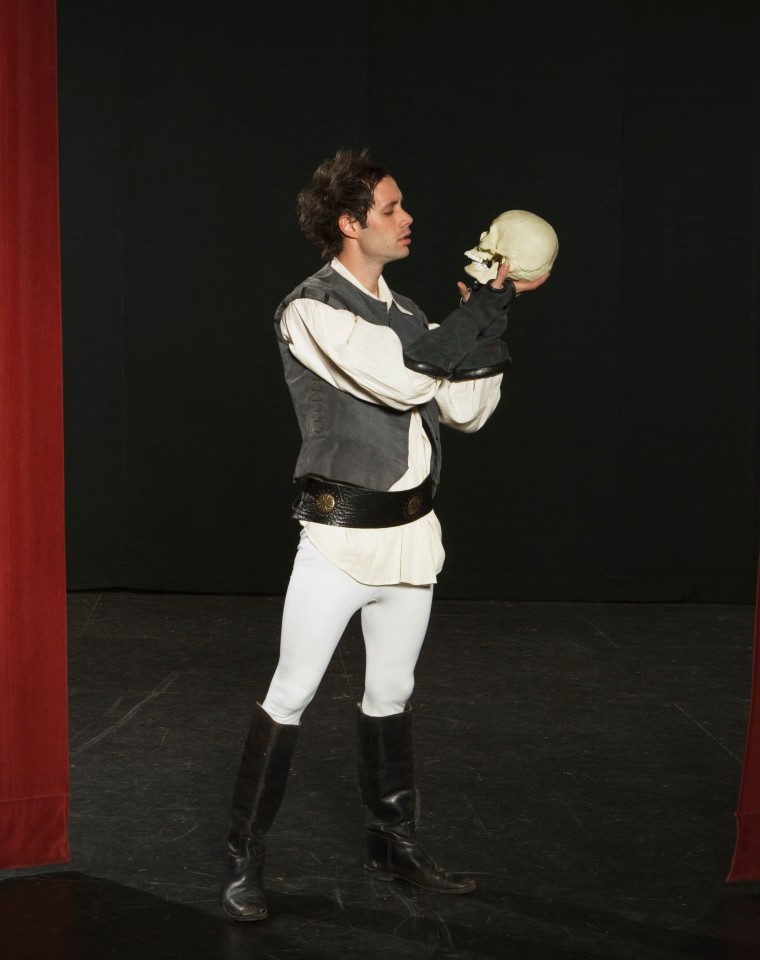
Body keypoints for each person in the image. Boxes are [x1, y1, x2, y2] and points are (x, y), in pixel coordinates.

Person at [219, 149, 548, 922]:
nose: (409, 220)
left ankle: (393, 848)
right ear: (349, 222)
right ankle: (243, 861)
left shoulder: (408, 318)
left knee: (392, 694)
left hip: (410, 538)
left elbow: (467, 413)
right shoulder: (310, 309)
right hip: (338, 540)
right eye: (393, 209)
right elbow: (402, 381)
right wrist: (472, 319)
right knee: (291, 693)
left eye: (404, 207)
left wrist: (489, 318)